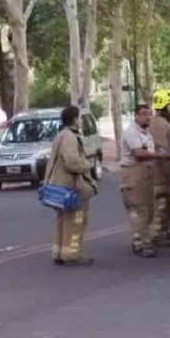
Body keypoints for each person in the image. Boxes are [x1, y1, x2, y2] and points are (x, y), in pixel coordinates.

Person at [120, 103, 170, 257]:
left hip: (147, 173)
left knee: (149, 210)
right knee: (139, 210)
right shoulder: (131, 132)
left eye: (149, 113)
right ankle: (141, 243)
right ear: (136, 116)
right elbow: (139, 154)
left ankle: (141, 239)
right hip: (133, 174)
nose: (147, 117)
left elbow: (151, 149)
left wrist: (160, 151)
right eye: (143, 113)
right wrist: (159, 156)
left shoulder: (146, 133)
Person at [46, 106, 98, 266]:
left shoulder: (60, 136)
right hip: (71, 187)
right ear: (75, 120)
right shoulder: (70, 137)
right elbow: (72, 162)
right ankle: (72, 255)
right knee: (75, 221)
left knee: (62, 220)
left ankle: (59, 253)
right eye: (80, 118)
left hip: (59, 186)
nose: (81, 120)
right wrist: (87, 165)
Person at [149, 89, 170, 247]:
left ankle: (163, 233)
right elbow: (164, 150)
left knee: (168, 204)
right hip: (162, 171)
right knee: (163, 204)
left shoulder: (161, 123)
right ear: (164, 106)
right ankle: (157, 235)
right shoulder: (161, 125)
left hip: (160, 170)